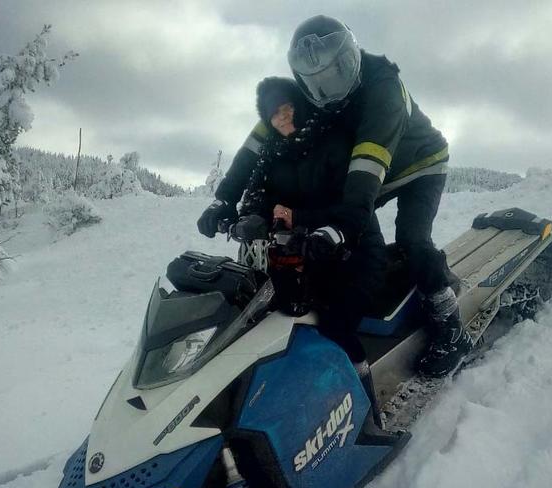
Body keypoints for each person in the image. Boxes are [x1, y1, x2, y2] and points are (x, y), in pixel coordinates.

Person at [198, 15, 469, 377]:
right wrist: (225, 198)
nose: (328, 89)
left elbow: (365, 173)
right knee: (345, 238)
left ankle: (450, 327)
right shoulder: (311, 96)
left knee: (412, 239)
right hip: (369, 170)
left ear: (351, 56)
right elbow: (255, 145)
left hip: (418, 165)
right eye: (315, 81)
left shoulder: (382, 90)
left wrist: (340, 226)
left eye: (336, 72)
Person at [226, 77, 387, 425]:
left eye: (287, 109)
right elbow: (255, 194)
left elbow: (353, 209)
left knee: (335, 323)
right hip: (306, 258)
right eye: (274, 116)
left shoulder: (333, 143)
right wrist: (244, 219)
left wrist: (303, 220)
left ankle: (367, 413)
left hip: (356, 250)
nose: (283, 119)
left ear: (300, 106)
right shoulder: (273, 153)